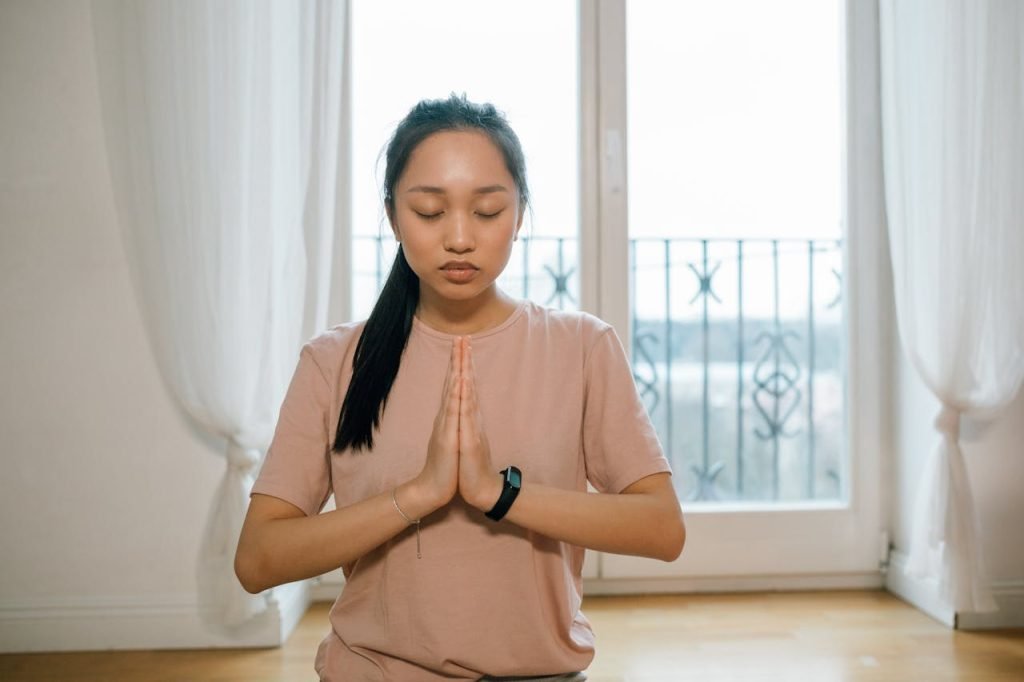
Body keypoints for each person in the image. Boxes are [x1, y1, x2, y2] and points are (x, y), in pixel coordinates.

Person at [234, 93, 686, 681]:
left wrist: (497, 494)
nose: (459, 238)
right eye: (428, 212)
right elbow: (257, 559)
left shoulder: (581, 348)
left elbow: (662, 528)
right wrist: (416, 496)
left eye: (487, 211)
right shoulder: (333, 361)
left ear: (520, 214)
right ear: (394, 214)